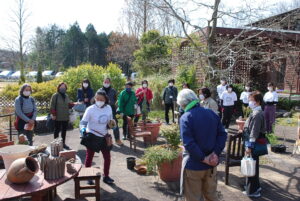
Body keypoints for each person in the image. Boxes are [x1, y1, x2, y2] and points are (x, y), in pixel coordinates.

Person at [177, 89, 227, 201]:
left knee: (193, 198)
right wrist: (215, 154)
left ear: (182, 104)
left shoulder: (186, 117)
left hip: (194, 166)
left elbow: (189, 143)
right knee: (211, 196)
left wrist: (203, 158)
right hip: (211, 165)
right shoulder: (211, 113)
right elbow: (222, 135)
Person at [80, 90, 114, 185]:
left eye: (101, 99)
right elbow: (83, 122)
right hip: (92, 135)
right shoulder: (90, 109)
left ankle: (106, 176)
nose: (98, 101)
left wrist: (112, 124)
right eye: (97, 99)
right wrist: (82, 130)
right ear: (94, 99)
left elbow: (111, 121)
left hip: (104, 136)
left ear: (105, 100)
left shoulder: (109, 108)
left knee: (107, 157)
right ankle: (88, 176)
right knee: (89, 157)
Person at [242, 91, 266, 198]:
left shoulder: (257, 114)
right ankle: (256, 187)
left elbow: (254, 132)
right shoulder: (256, 112)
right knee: (254, 166)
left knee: (251, 166)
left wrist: (249, 147)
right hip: (253, 142)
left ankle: (252, 190)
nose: (249, 102)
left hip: (253, 143)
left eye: (251, 100)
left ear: (258, 102)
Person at [50, 82, 74, 149]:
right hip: (57, 116)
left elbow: (68, 105)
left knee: (64, 131)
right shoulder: (55, 95)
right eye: (61, 87)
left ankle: (63, 143)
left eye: (64, 87)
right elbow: (52, 106)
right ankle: (56, 144)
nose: (63, 88)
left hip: (65, 116)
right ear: (59, 87)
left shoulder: (66, 96)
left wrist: (74, 104)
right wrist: (53, 114)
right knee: (57, 130)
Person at [101, 78, 123, 146]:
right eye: (105, 82)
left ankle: (117, 139)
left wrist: (117, 110)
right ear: (103, 82)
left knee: (114, 125)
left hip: (111, 110)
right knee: (102, 125)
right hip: (102, 110)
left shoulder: (113, 90)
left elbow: (116, 99)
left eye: (108, 82)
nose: (106, 83)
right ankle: (104, 140)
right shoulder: (100, 91)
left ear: (110, 83)